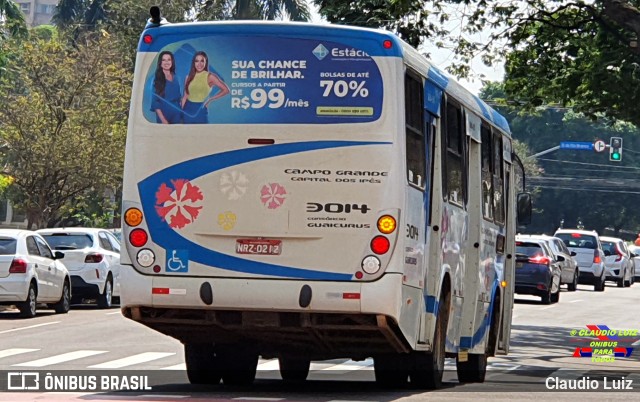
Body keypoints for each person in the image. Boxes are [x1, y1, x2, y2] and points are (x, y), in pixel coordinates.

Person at [181, 51, 230, 124]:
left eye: (202, 61)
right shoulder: (188, 77)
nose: (199, 64)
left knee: (202, 134)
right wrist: (181, 113)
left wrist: (210, 99)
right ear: (194, 63)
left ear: (205, 62)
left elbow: (226, 90)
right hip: (187, 110)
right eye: (197, 61)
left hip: (200, 109)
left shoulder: (210, 76)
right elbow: (185, 97)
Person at [151, 51, 183, 124]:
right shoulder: (156, 79)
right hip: (164, 116)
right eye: (164, 60)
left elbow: (179, 98)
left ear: (172, 62)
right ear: (160, 63)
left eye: (169, 60)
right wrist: (163, 120)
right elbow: (155, 102)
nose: (166, 62)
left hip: (177, 115)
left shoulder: (176, 77)